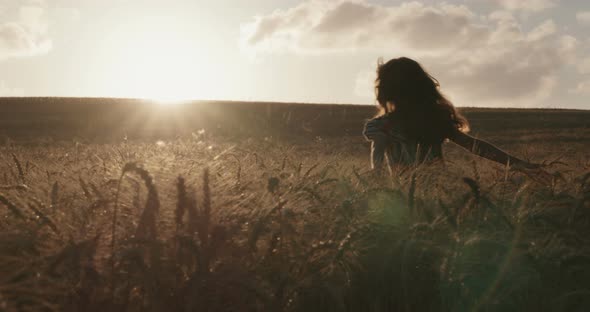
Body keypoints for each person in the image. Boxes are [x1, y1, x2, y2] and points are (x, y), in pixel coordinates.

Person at [363, 57, 548, 180]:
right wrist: (518, 163)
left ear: (386, 90)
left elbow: (376, 162)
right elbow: (475, 146)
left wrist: (375, 186)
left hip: (408, 199)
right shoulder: (432, 120)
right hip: (440, 193)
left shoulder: (382, 125)